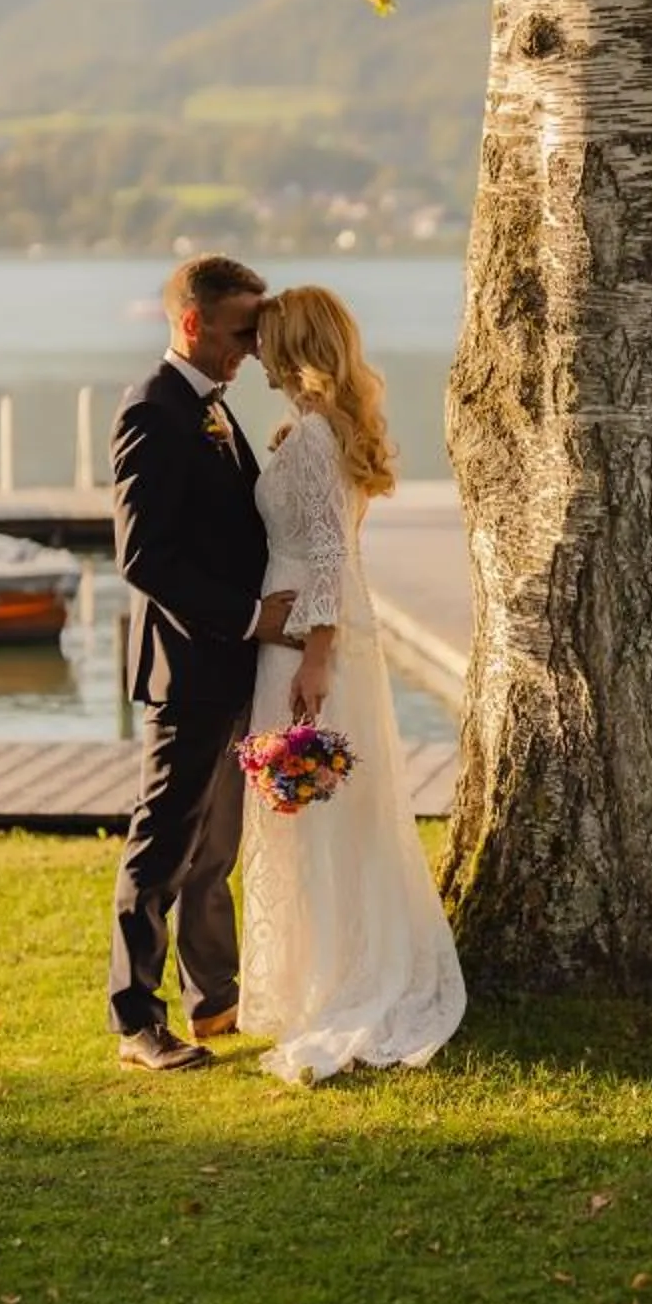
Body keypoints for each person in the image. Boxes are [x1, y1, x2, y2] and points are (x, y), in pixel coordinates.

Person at [237, 285, 467, 1085]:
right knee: (329, 816)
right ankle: (325, 971)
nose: (254, 353)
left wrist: (315, 653)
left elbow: (329, 555)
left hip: (305, 642)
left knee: (307, 814)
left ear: (291, 345)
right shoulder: (328, 432)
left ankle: (332, 981)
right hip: (319, 633)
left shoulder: (310, 439)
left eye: (265, 339)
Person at [107, 253, 297, 1073]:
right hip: (186, 669)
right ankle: (135, 1022)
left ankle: (213, 999)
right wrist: (251, 617)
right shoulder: (153, 411)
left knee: (214, 848)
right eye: (241, 330)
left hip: (230, 670)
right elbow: (144, 557)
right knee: (162, 846)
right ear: (192, 323)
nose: (252, 347)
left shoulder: (215, 408)